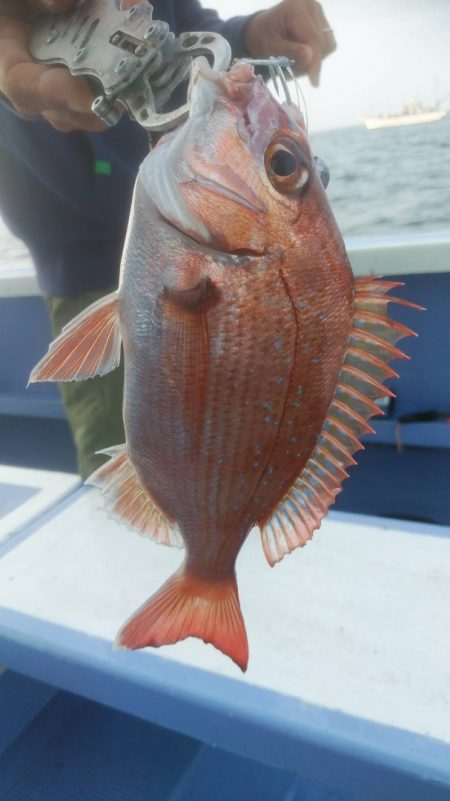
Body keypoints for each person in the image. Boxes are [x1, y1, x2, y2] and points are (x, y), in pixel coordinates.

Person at [0, 0, 336, 479]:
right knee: (116, 476)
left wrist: (250, 35)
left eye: (281, 166)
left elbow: (184, 30)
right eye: (281, 166)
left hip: (169, 220)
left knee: (174, 482)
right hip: (80, 260)